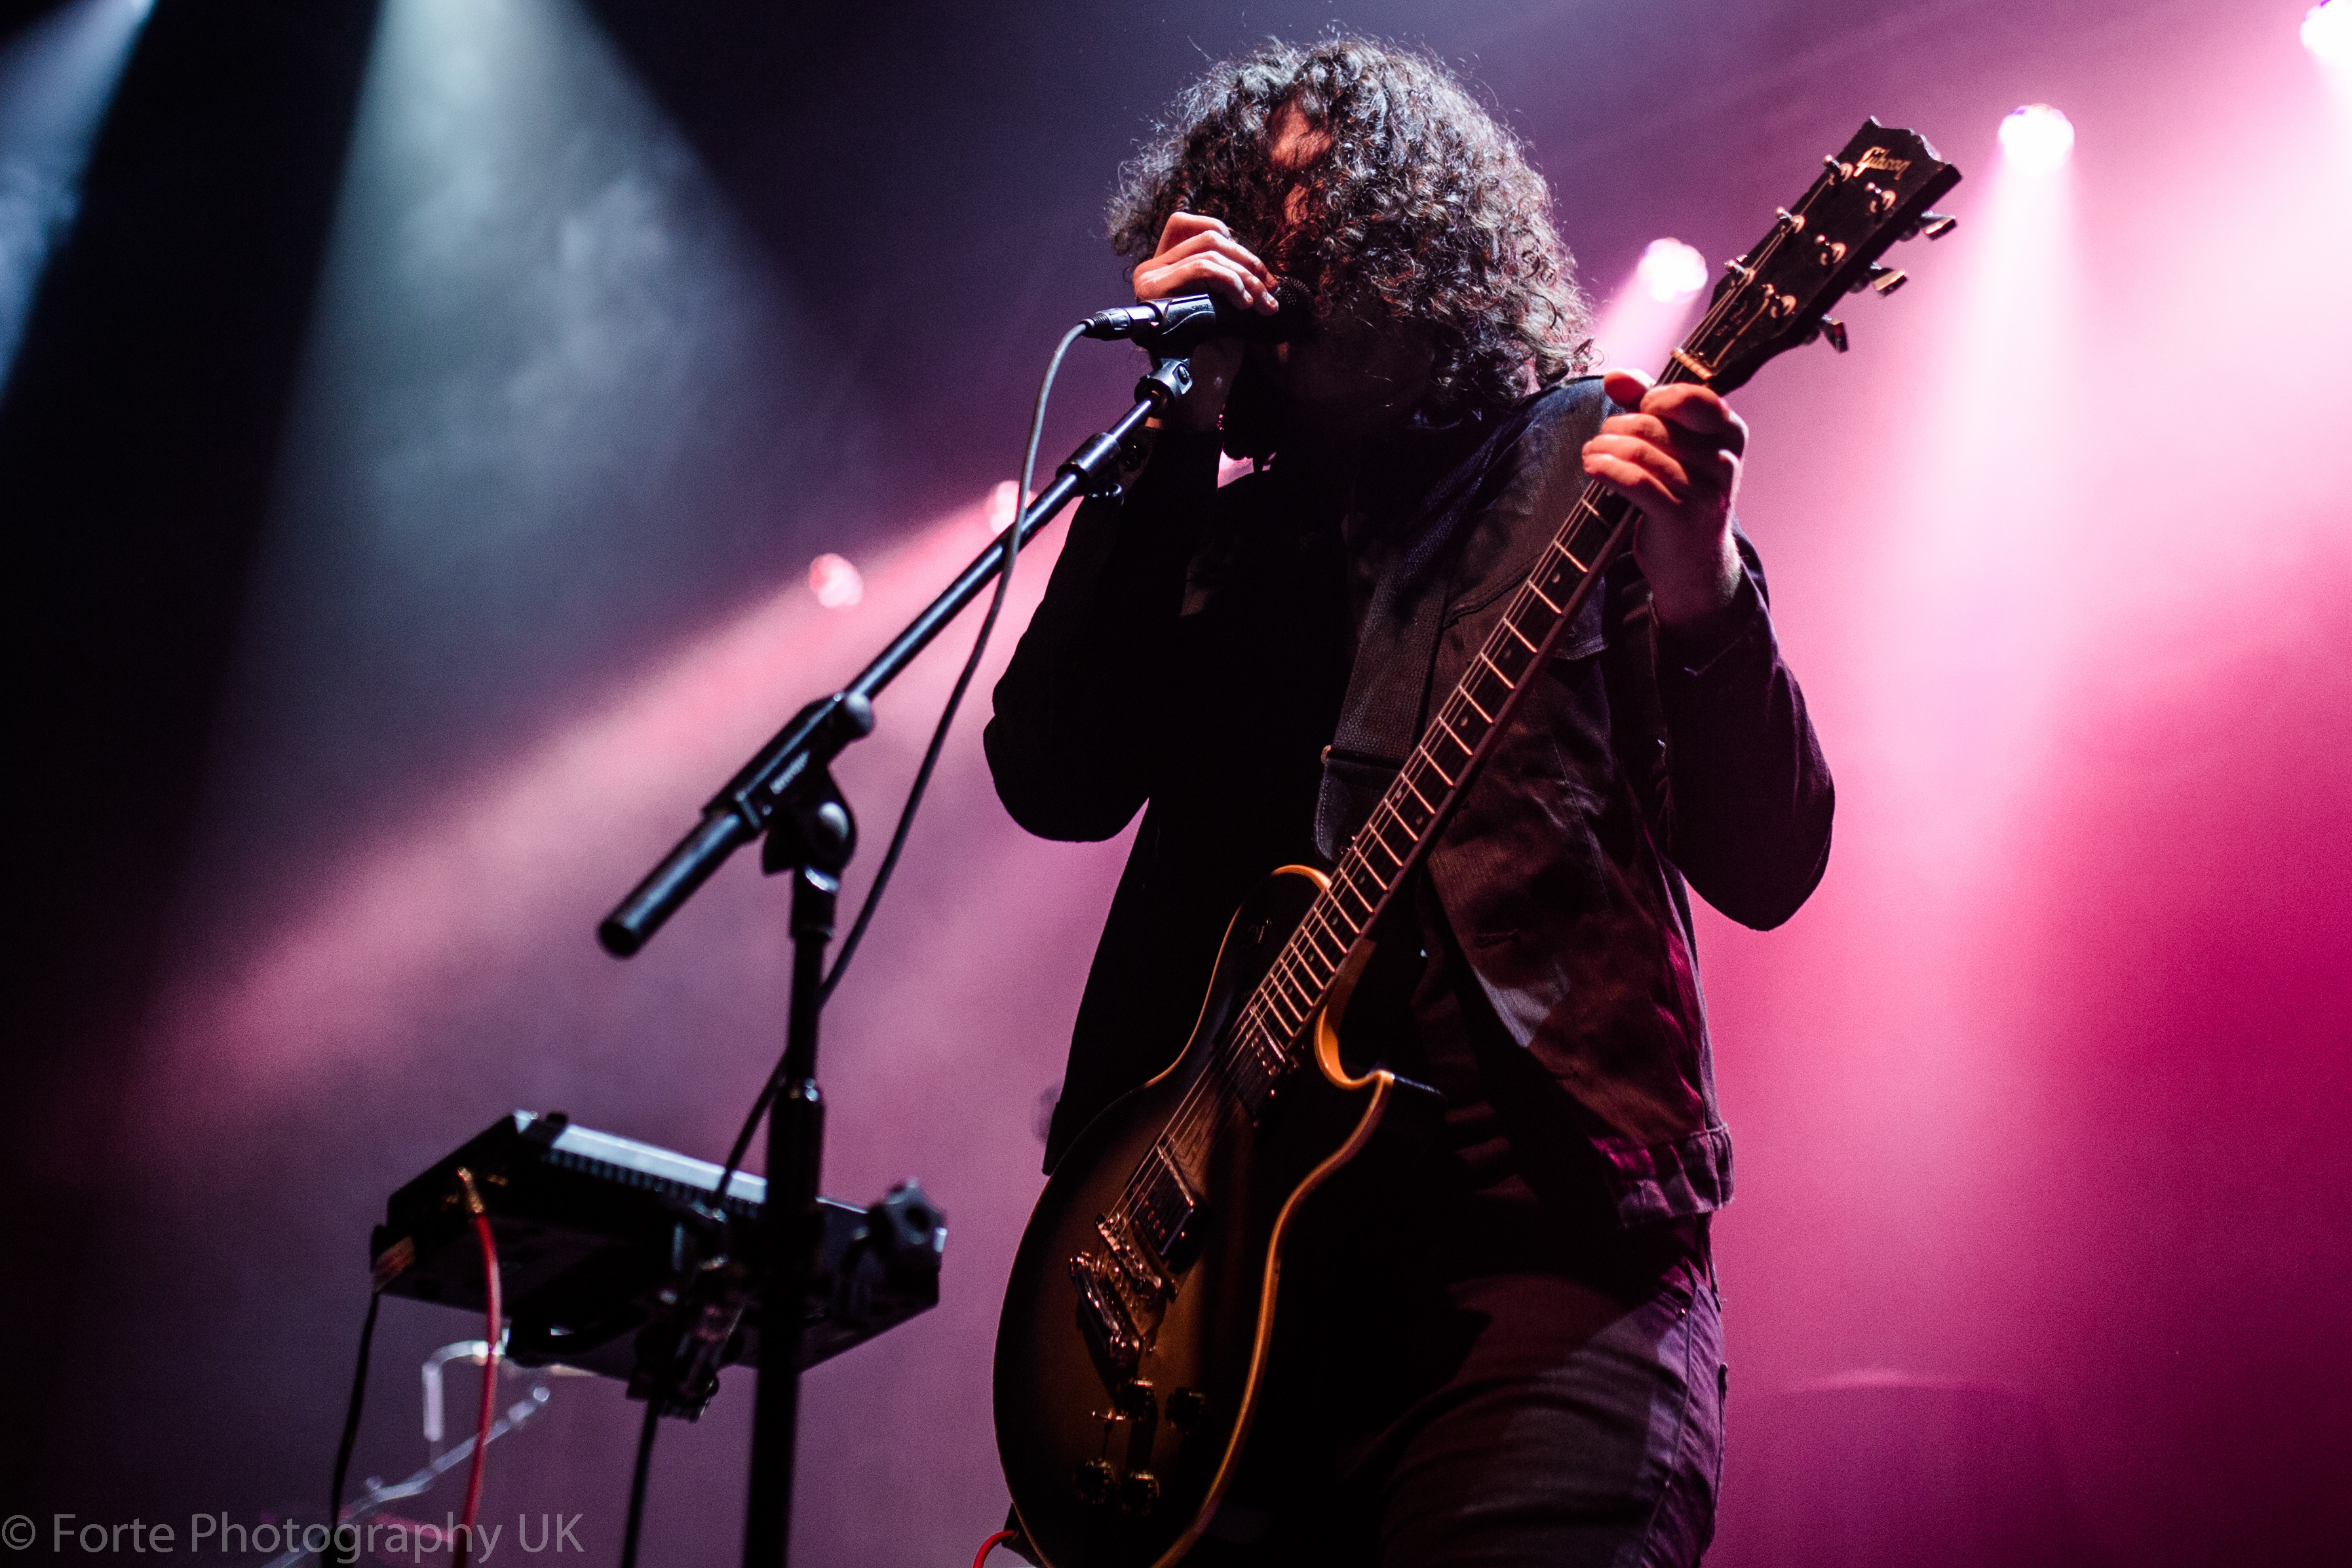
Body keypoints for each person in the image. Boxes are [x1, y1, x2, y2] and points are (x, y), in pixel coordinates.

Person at [986, 37, 1832, 1568]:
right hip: (1209, 1306)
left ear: (1417, 237)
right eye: (1235, 213)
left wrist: (1703, 586)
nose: (1264, 250)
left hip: (1532, 1282)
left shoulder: (1585, 470)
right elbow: (1053, 778)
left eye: (1305, 207)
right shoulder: (1215, 538)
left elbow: (1770, 861)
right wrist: (1173, 432)